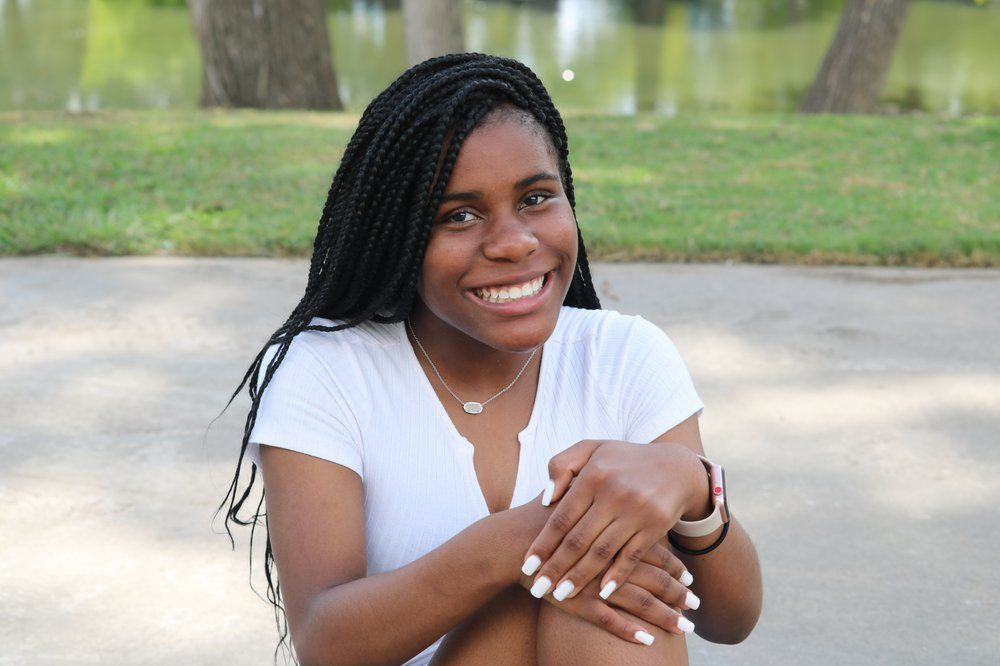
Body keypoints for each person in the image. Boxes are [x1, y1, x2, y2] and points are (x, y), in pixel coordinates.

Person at [217, 52, 762, 665]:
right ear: (400, 238)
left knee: (606, 594)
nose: (513, 242)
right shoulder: (329, 372)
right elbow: (325, 642)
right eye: (459, 215)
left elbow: (729, 618)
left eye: (535, 198)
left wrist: (691, 488)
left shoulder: (623, 356)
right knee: (588, 572)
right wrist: (523, 545)